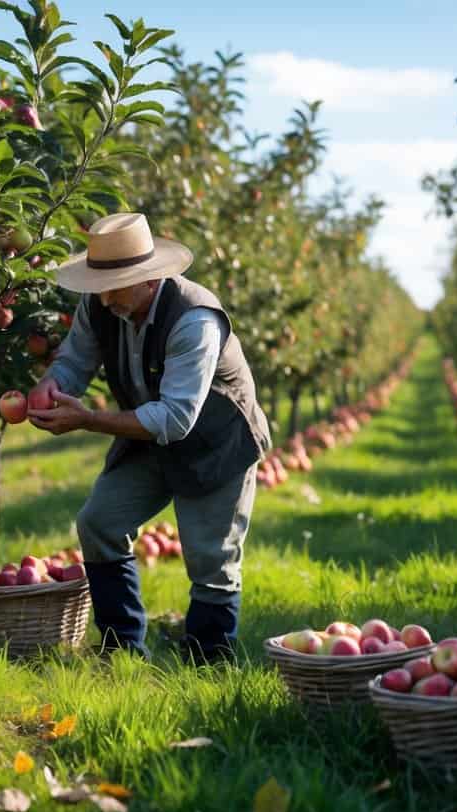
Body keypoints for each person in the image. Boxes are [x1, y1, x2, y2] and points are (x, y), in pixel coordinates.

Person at [26, 212, 271, 663]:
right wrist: (52, 384)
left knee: (210, 559)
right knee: (99, 522)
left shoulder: (194, 321)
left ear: (150, 279)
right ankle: (121, 650)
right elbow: (75, 361)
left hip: (214, 442)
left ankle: (207, 664)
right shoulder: (103, 304)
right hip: (147, 434)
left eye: (117, 283)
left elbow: (175, 418)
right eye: (101, 284)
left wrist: (88, 421)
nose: (106, 295)